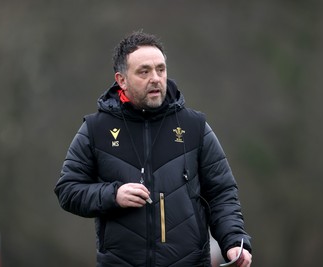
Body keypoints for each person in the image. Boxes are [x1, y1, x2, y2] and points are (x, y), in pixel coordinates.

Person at [54, 31, 252, 267]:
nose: (156, 78)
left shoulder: (194, 127)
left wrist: (233, 242)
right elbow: (67, 190)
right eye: (144, 71)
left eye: (161, 69)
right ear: (121, 80)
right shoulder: (95, 129)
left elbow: (222, 194)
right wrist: (113, 195)